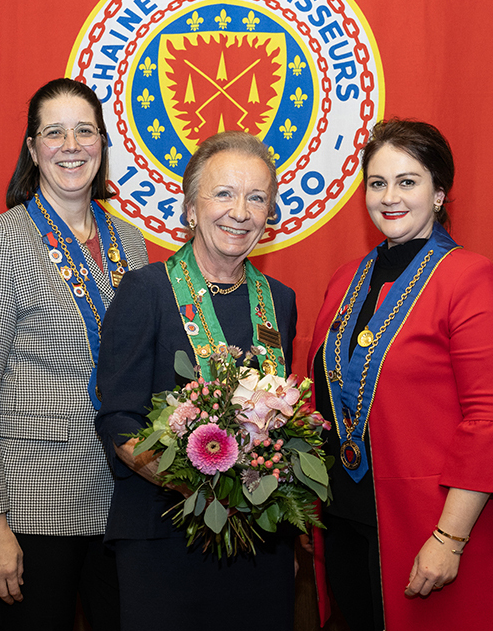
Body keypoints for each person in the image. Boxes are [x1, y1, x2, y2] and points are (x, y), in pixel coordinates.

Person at [305, 119, 493, 630]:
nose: (390, 197)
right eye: (378, 183)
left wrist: (449, 539)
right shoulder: (344, 282)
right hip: (344, 522)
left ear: (440, 191)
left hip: (432, 527)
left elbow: (489, 423)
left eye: (408, 181)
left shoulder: (471, 278)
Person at [0, 78, 147, 628]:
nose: (71, 144)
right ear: (33, 149)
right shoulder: (4, 238)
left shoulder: (130, 241)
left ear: (102, 144)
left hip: (122, 492)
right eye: (54, 132)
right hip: (36, 500)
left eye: (84, 130)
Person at [95, 130, 298, 630]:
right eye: (224, 193)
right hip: (165, 539)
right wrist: (200, 489)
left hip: (260, 544)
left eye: (257, 198)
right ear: (190, 208)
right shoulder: (146, 291)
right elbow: (119, 419)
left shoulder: (281, 300)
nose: (240, 211)